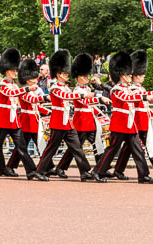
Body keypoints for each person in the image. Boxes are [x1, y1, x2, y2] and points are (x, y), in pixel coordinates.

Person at [36, 49, 105, 182]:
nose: (67, 74)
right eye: (64, 72)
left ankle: (84, 171)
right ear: (58, 74)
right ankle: (40, 170)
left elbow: (70, 95)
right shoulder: (55, 88)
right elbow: (66, 97)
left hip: (67, 123)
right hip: (58, 122)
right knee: (51, 148)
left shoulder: (65, 87)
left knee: (77, 148)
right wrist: (82, 95)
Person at [92, 51, 153, 184]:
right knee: (112, 149)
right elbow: (127, 98)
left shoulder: (128, 87)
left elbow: (137, 94)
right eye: (128, 74)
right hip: (119, 124)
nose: (130, 76)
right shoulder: (117, 89)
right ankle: (98, 171)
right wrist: (144, 97)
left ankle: (143, 174)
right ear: (121, 75)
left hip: (129, 124)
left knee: (138, 150)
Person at [0, 48, 46, 181]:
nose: (15, 73)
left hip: (14, 120)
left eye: (16, 70)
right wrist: (27, 88)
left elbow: (24, 97)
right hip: (3, 118)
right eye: (13, 70)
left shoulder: (15, 85)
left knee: (22, 146)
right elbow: (10, 94)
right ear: (7, 71)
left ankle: (31, 171)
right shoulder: (2, 84)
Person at [112, 50, 153, 180]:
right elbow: (136, 104)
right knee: (148, 147)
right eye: (141, 74)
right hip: (138, 122)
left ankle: (119, 170)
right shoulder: (133, 89)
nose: (143, 75)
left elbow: (144, 107)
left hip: (142, 121)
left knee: (129, 148)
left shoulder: (139, 88)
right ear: (134, 75)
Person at [55, 53, 110, 177]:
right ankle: (61, 167)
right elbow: (86, 102)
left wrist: (100, 113)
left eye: (87, 75)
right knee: (75, 148)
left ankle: (101, 168)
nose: (87, 78)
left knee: (97, 143)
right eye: (84, 76)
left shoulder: (87, 89)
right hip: (81, 122)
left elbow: (91, 106)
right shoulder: (78, 91)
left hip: (90, 120)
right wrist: (99, 98)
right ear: (79, 77)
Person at [6, 58, 51, 175]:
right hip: (26, 121)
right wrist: (44, 98)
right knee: (22, 148)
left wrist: (48, 112)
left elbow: (36, 106)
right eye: (34, 78)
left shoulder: (34, 90)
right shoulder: (23, 91)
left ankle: (48, 166)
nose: (36, 80)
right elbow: (31, 100)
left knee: (40, 144)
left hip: (34, 121)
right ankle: (10, 166)